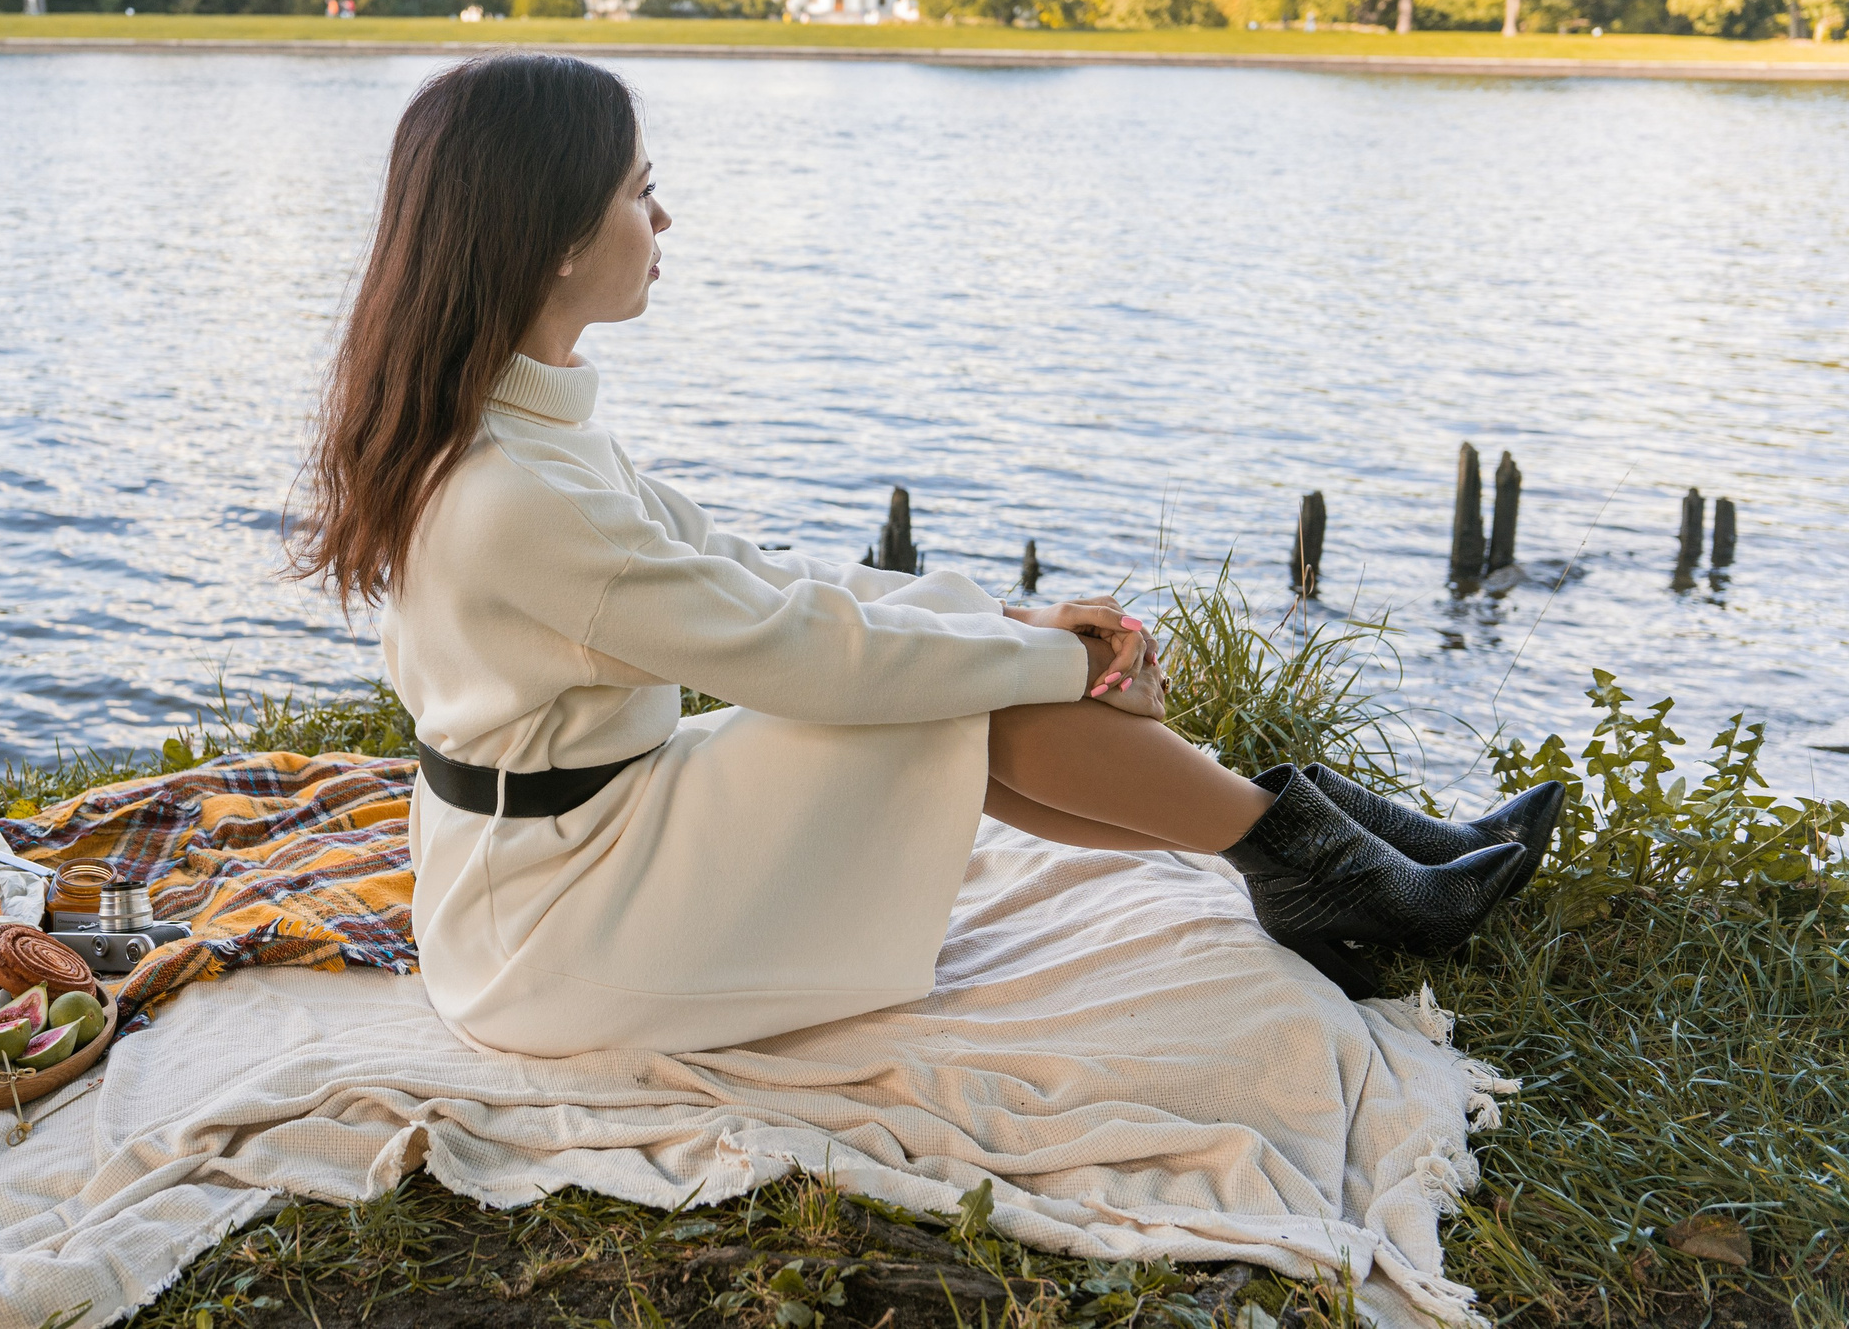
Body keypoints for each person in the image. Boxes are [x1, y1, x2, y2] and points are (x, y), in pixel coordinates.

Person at [290, 54, 1561, 1057]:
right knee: (936, 699)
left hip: (563, 862)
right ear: (558, 237)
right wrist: (1046, 661)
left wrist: (1024, 634)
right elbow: (799, 654)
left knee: (950, 671)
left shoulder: (519, 435)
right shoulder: (516, 493)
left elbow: (773, 580)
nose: (664, 214)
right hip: (556, 935)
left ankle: (1320, 857)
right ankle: (1328, 871)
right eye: (638, 189)